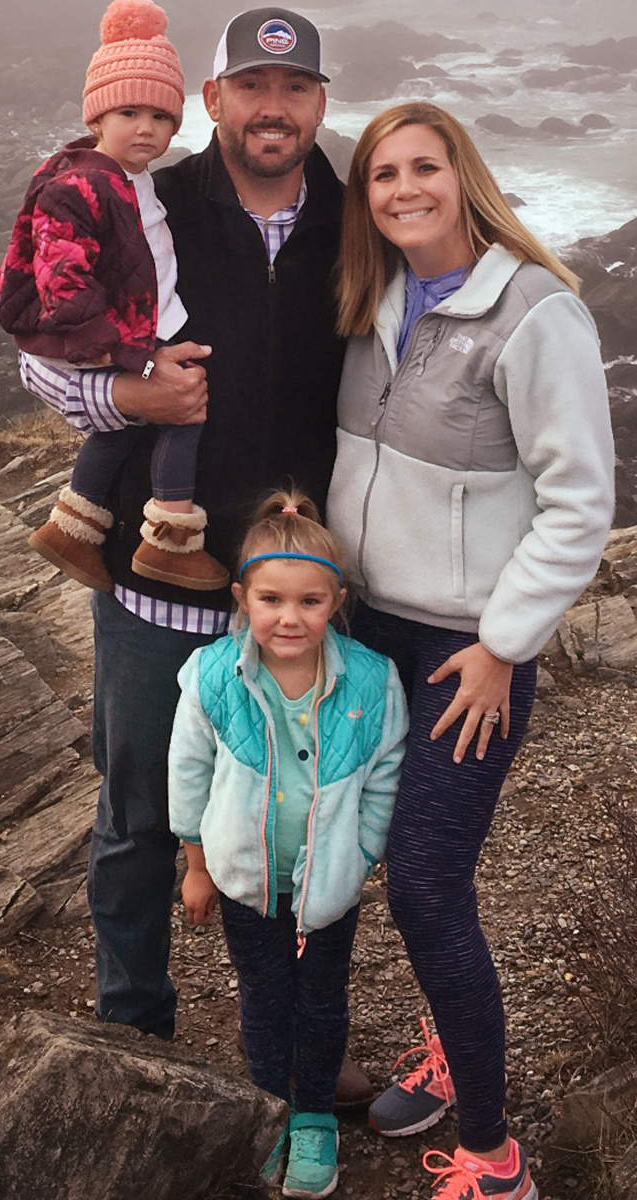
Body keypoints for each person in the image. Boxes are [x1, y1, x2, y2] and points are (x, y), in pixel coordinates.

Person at [17, 7, 372, 1105]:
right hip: (148, 582)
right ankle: (135, 1040)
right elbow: (37, 349)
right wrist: (130, 392)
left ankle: (300, 1056)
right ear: (210, 101)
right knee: (132, 822)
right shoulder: (144, 198)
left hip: (293, 596)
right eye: (253, 89)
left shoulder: (357, 221)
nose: (275, 109)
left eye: (297, 89)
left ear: (319, 103)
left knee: (301, 826)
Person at [327, 101, 614, 1199]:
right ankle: (452, 1043)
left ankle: (495, 1158)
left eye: (421, 168)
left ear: (463, 175)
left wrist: (502, 644)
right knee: (369, 867)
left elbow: (577, 505)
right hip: (365, 633)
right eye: (380, 175)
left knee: (427, 889)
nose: (401, 189)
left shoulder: (534, 311)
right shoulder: (374, 298)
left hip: (461, 655)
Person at [168, 491, 408, 1198]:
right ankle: (270, 1109)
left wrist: (361, 854)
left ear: (335, 601)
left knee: (322, 1000)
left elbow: (386, 776)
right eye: (271, 599)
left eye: (309, 601)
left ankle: (314, 1122)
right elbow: (188, 769)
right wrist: (196, 865)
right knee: (264, 998)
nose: (289, 617)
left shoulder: (370, 679)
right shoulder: (213, 676)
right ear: (242, 598)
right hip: (245, 881)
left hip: (327, 888)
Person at [0, 0, 229, 594]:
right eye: (129, 111)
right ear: (98, 115)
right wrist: (131, 356)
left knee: (124, 425)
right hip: (98, 338)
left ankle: (74, 526)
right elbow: (62, 283)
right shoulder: (82, 182)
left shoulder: (129, 178)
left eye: (161, 115)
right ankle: (171, 535)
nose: (147, 128)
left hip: (115, 334)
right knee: (184, 408)